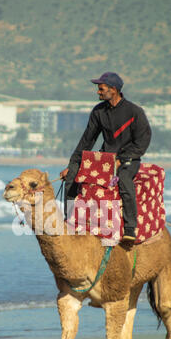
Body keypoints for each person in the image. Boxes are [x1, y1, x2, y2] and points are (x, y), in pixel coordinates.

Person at [60, 71, 152, 241]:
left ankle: (130, 228)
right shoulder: (98, 111)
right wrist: (72, 165)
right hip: (105, 160)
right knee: (73, 175)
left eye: (101, 88)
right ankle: (70, 218)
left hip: (129, 160)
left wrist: (122, 159)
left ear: (114, 89)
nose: (98, 92)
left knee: (124, 179)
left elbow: (142, 142)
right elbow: (87, 140)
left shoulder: (134, 111)